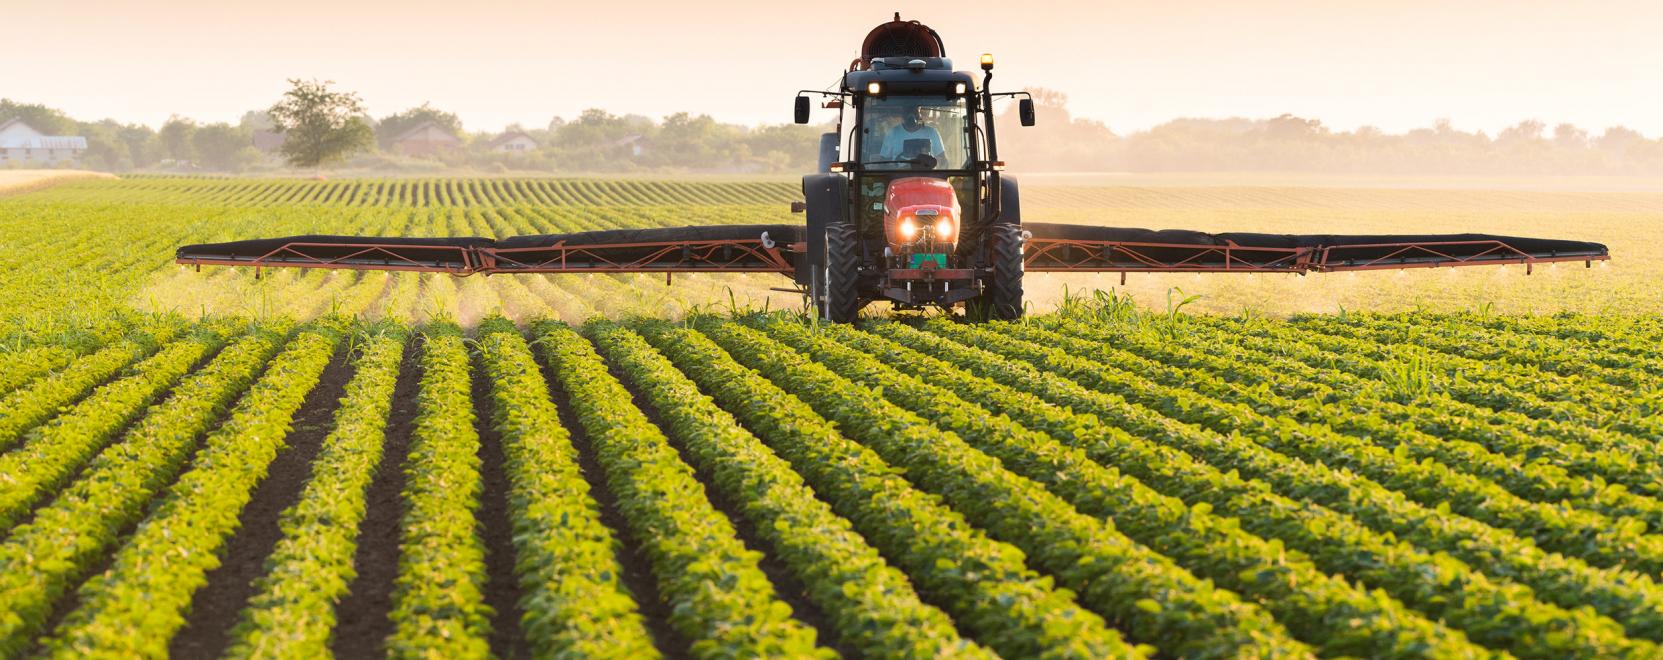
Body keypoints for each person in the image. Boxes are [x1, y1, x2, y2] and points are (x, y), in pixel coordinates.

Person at [877, 106, 944, 165]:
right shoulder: (893, 133)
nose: (911, 115)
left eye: (915, 112)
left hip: (927, 175)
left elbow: (943, 160)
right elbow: (883, 161)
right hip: (899, 175)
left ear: (919, 114)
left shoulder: (931, 132)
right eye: (907, 111)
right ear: (903, 115)